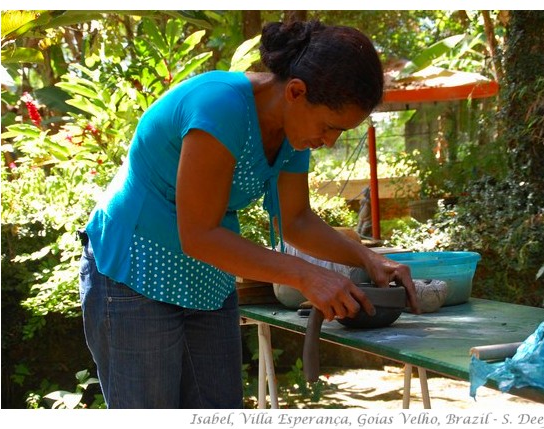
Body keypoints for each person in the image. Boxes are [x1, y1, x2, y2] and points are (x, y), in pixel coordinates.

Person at [78, 19, 420, 409]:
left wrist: (369, 260)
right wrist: (307, 275)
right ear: (296, 91)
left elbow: (296, 221)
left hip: (205, 281)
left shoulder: (293, 129)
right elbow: (199, 235)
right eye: (329, 127)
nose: (330, 142)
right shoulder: (218, 107)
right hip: (134, 272)